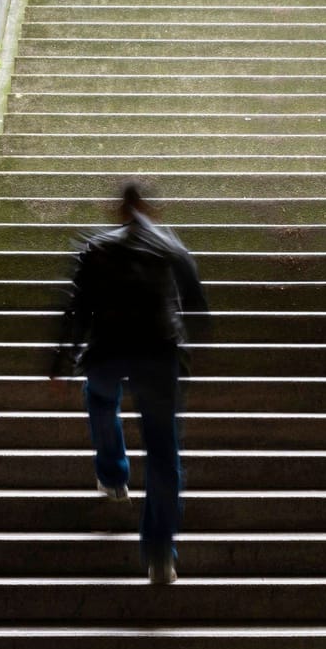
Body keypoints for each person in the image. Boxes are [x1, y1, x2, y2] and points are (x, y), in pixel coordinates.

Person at [50, 181, 209, 584]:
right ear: (149, 209)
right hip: (159, 351)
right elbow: (195, 302)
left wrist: (63, 358)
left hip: (109, 349)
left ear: (119, 210)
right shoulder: (169, 246)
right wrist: (192, 346)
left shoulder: (97, 247)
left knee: (100, 394)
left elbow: (77, 307)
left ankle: (113, 474)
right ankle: (159, 555)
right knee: (162, 452)